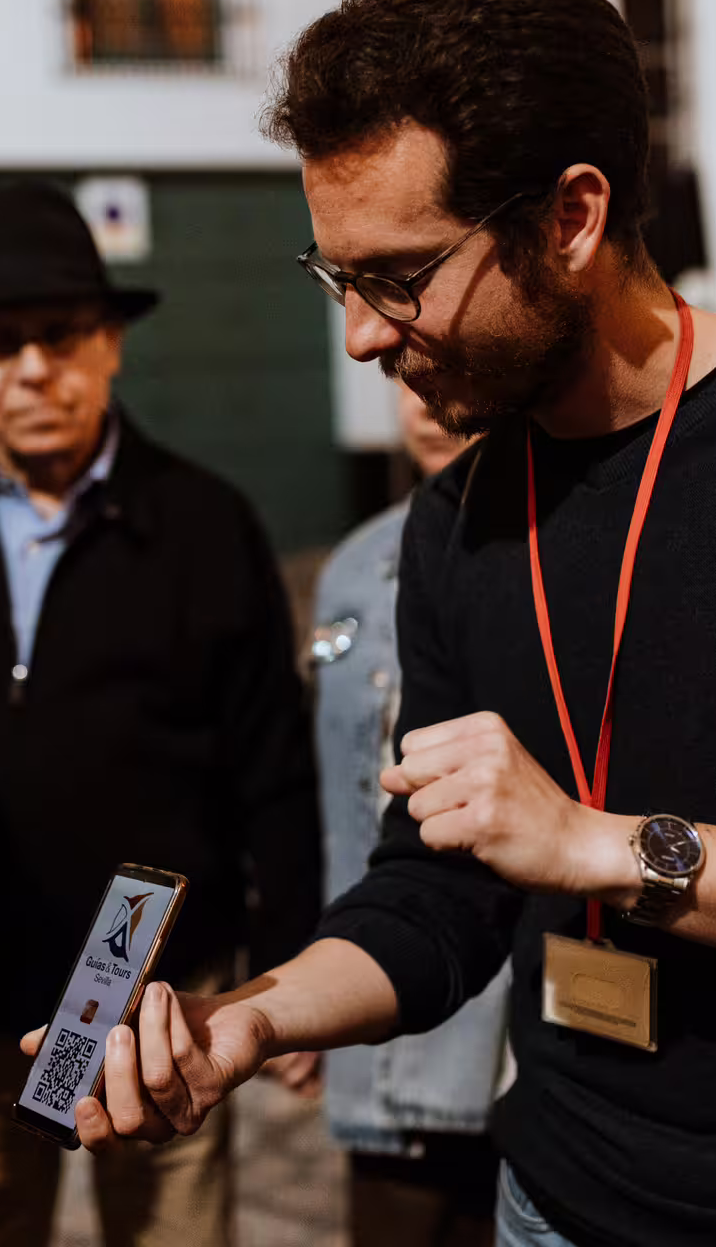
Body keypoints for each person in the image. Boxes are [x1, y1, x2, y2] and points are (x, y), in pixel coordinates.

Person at [27, 0, 716, 1246]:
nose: (362, 336)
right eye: (336, 276)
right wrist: (247, 1021)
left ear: (574, 215)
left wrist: (604, 845)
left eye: (401, 274)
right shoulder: (458, 518)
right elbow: (437, 895)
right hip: (557, 1209)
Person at [0, 181, 322, 1247]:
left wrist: (283, 965)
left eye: (59, 333)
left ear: (111, 343)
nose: (33, 368)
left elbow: (273, 763)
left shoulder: (203, 521)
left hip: (162, 998)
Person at [314, 385, 504, 1247]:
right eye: (403, 379)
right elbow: (329, 802)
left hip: (513, 1030)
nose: (429, 402)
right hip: (383, 1002)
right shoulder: (353, 566)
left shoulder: (562, 553)